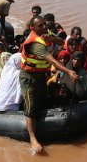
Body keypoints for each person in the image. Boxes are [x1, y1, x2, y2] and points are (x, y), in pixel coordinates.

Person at [20, 15, 78, 153]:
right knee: (31, 107)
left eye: (44, 24)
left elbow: (62, 41)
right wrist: (68, 72)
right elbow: (52, 60)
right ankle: (33, 139)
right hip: (29, 77)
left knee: (42, 99)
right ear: (32, 28)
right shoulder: (35, 44)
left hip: (41, 75)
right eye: (40, 26)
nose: (44, 27)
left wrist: (52, 38)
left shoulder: (45, 34)